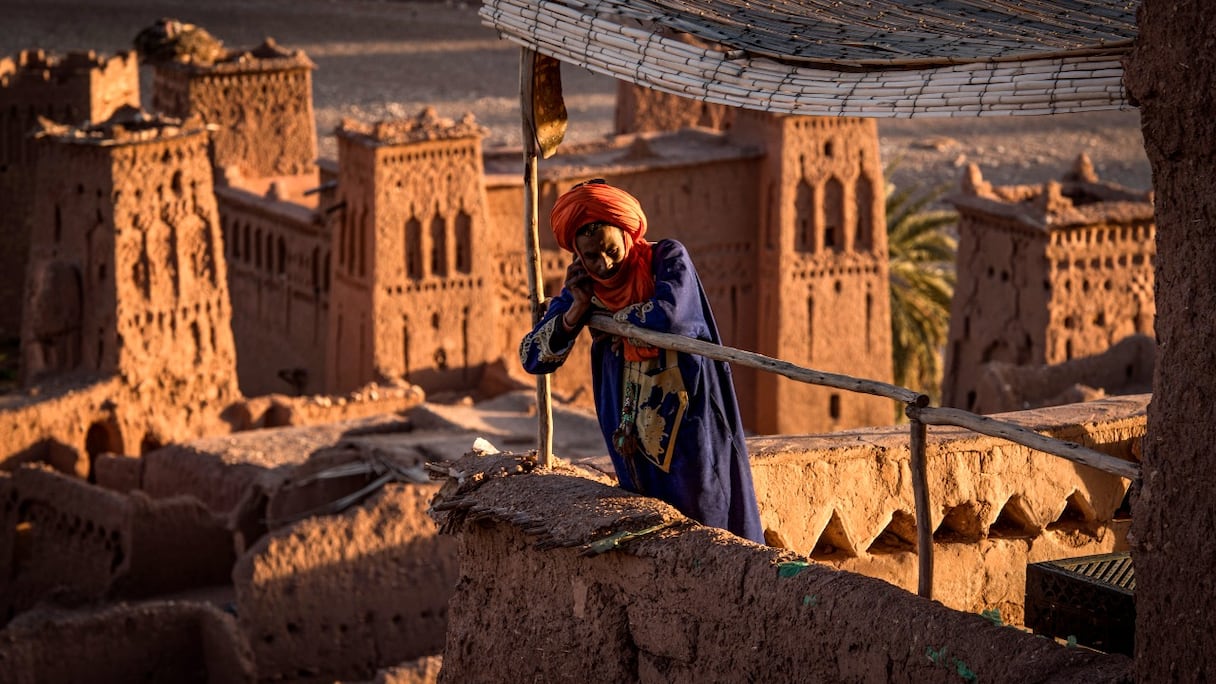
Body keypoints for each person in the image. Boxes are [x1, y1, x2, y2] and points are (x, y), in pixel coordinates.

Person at [519, 179, 765, 544]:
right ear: (578, 257)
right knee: (649, 523)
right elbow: (533, 357)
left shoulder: (665, 258)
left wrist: (616, 321)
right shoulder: (584, 288)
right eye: (591, 256)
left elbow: (672, 315)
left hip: (688, 420)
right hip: (630, 435)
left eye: (610, 250)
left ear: (626, 234)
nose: (603, 264)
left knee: (705, 515)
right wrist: (577, 310)